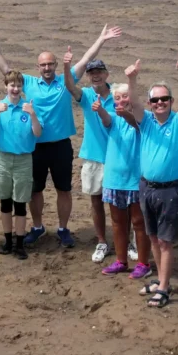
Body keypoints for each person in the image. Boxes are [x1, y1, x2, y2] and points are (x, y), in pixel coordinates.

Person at [0, 25, 122, 248]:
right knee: (36, 190)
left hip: (61, 145)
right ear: (38, 67)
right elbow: (7, 72)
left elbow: (85, 59)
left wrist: (101, 39)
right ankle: (37, 226)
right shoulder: (30, 83)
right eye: (43, 64)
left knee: (64, 189)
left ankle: (63, 228)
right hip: (35, 146)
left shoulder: (66, 80)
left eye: (50, 64)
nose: (46, 67)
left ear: (55, 65)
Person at [119, 54, 178, 310]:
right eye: (156, 100)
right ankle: (161, 279)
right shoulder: (147, 121)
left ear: (171, 101)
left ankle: (163, 287)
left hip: (169, 191)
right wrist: (132, 79)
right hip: (146, 187)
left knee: (165, 241)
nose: (160, 103)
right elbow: (134, 102)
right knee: (153, 237)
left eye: (164, 99)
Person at [91, 78, 152, 280]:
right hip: (114, 179)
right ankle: (121, 260)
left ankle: (143, 263)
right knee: (118, 222)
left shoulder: (145, 119)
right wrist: (99, 109)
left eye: (125, 96)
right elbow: (106, 119)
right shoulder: (114, 119)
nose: (122, 100)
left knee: (138, 222)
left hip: (136, 180)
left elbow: (136, 125)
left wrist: (126, 113)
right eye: (117, 98)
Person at [0, 71, 41, 260]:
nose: (15, 89)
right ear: (6, 86)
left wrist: (32, 115)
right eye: (12, 85)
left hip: (24, 159)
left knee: (20, 202)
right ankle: (8, 241)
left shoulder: (29, 106)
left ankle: (19, 243)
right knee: (5, 201)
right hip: (3, 158)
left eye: (18, 86)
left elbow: (38, 133)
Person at [66, 55, 116, 263]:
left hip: (116, 157)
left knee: (119, 204)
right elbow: (69, 85)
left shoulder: (118, 94)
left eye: (99, 72)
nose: (96, 76)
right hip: (93, 157)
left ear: (106, 74)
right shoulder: (86, 95)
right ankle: (102, 241)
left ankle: (126, 241)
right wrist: (67, 65)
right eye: (92, 73)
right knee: (96, 201)